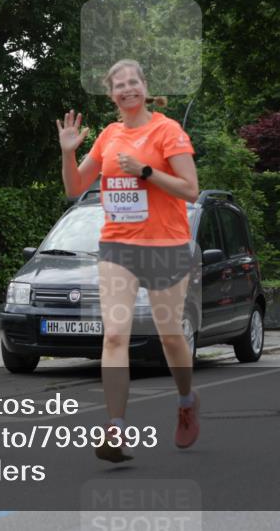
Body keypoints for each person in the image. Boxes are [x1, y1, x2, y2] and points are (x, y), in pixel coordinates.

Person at [57, 59, 200, 462]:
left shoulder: (167, 130)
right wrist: (69, 154)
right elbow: (75, 187)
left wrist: (146, 171)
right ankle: (116, 429)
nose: (127, 89)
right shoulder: (108, 135)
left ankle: (187, 400)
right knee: (115, 334)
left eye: (133, 82)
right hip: (118, 246)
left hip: (165, 244)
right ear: (111, 94)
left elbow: (190, 190)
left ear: (145, 86)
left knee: (170, 335)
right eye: (119, 85)